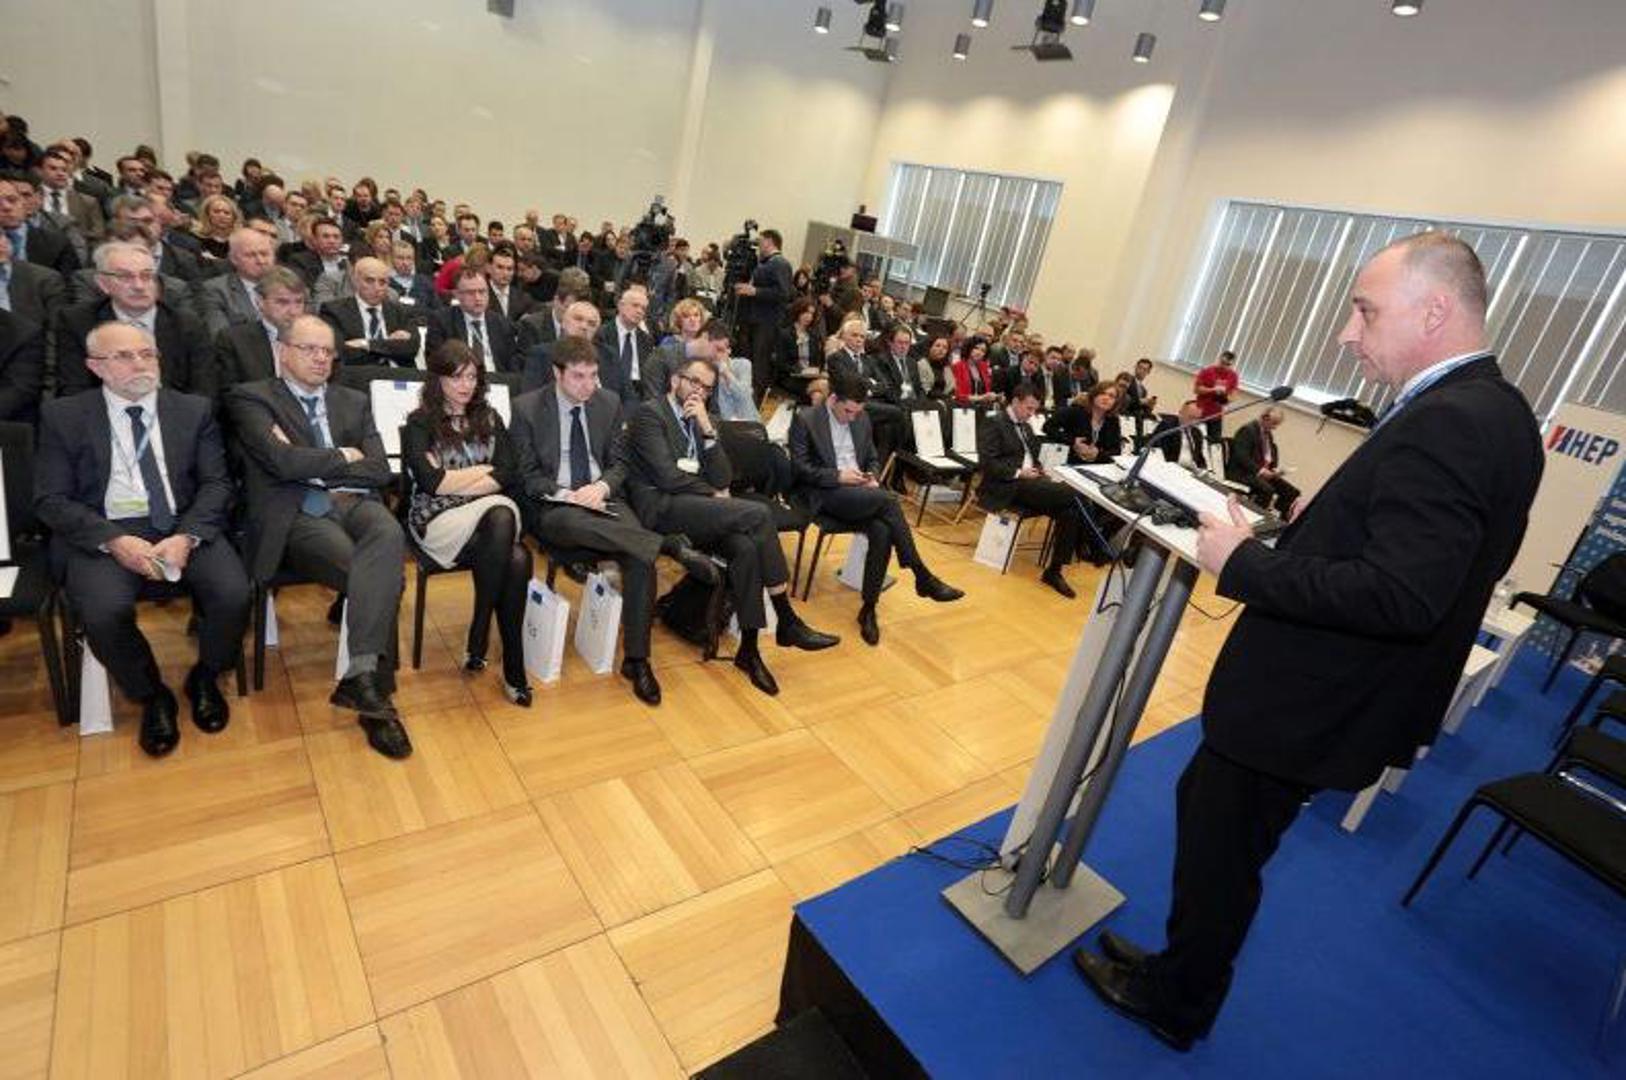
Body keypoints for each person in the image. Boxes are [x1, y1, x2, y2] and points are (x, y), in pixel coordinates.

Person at [1072, 232, 1545, 1051]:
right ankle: (1180, 969)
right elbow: (1429, 555)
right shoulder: (1499, 411)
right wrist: (1317, 529)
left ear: (1436, 310)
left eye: (1366, 311)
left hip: (1310, 700)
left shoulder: (1453, 421)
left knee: (1223, 848)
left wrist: (1244, 563)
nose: (1346, 334)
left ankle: (1177, 1001)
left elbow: (1402, 595)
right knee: (1215, 825)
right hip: (1341, 694)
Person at [35, 321, 249, 757]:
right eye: (124, 356)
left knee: (233, 593)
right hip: (104, 529)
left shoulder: (193, 410)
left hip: (182, 524)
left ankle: (207, 675)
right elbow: (50, 499)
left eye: (147, 354)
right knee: (103, 611)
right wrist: (114, 540)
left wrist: (187, 536)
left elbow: (217, 484)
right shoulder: (64, 416)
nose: (140, 364)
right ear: (95, 366)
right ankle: (151, 694)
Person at [227, 315, 412, 759]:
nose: (320, 358)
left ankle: (362, 680)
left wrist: (307, 459)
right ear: (282, 352)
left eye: (327, 351)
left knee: (388, 535)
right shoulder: (252, 398)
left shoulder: (353, 400)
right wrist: (342, 455)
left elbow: (379, 469)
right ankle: (377, 701)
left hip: (357, 503)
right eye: (309, 349)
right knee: (378, 575)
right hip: (298, 511)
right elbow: (281, 464)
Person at [509, 335, 718, 706]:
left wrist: (602, 486)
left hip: (604, 499)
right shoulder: (526, 408)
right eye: (578, 376)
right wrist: (568, 494)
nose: (588, 385)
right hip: (557, 506)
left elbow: (621, 463)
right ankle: (666, 544)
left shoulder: (608, 402)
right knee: (577, 526)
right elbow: (527, 476)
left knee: (639, 557)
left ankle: (637, 660)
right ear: (557, 373)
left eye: (593, 375)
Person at [623, 358, 840, 695]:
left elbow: (724, 476)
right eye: (693, 381)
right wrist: (711, 492)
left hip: (696, 508)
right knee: (759, 515)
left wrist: (707, 430)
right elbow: (666, 476)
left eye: (707, 388)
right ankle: (786, 618)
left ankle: (749, 651)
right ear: (675, 380)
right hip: (660, 507)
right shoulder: (650, 414)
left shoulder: (702, 419)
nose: (699, 391)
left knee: (745, 547)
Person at [402, 342, 533, 704]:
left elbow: (508, 472)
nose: (465, 385)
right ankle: (483, 636)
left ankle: (504, 655)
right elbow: (431, 483)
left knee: (513, 548)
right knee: (510, 540)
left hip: (488, 516)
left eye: (472, 377)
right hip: (435, 517)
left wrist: (454, 479)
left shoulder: (490, 417)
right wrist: (482, 471)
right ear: (438, 379)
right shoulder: (420, 422)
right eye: (456, 377)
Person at [789, 372, 963, 644]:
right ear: (833, 399)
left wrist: (872, 476)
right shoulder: (806, 419)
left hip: (859, 493)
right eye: (847, 411)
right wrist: (838, 476)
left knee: (882, 530)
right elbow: (800, 469)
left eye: (857, 412)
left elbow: (871, 457)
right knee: (889, 501)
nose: (852, 418)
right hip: (824, 493)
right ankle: (921, 575)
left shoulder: (861, 417)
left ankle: (868, 609)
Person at [977, 382, 1091, 598]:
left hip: (1031, 483)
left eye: (1034, 410)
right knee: (1076, 495)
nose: (1032, 414)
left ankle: (1054, 571)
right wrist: (1020, 473)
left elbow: (1034, 458)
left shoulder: (1026, 427)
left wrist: (1041, 470)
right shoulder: (994, 422)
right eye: (1028, 408)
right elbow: (987, 463)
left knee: (1070, 511)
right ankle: (1092, 545)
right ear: (1015, 401)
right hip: (1007, 485)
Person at [56, 242, 213, 397]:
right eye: (125, 277)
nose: (139, 286)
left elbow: (203, 392)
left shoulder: (188, 325)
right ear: (103, 284)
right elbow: (74, 390)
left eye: (146, 276)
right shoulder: (78, 322)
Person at [215, 265, 306, 390]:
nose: (293, 311)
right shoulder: (234, 341)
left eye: (299, 302)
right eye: (283, 302)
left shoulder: (317, 338)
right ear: (260, 301)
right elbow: (231, 392)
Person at [320, 257, 419, 366]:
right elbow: (340, 352)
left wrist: (366, 344)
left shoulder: (400, 311)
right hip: (357, 373)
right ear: (355, 281)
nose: (377, 288)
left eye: (382, 282)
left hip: (399, 372)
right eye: (369, 281)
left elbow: (412, 348)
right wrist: (390, 345)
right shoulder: (334, 311)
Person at [733, 227, 793, 400]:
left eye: (760, 241)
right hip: (756, 321)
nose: (758, 244)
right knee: (751, 363)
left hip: (767, 323)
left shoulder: (780, 263)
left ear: (769, 241)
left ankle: (755, 401)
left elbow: (784, 293)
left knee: (759, 365)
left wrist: (755, 291)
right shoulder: (765, 263)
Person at [427, 266, 517, 373]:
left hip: (498, 379)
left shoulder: (503, 324)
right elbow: (436, 362)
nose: (478, 298)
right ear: (457, 295)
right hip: (460, 379)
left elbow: (512, 364)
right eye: (470, 293)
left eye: (482, 292)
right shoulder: (441, 321)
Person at [198, 226, 275, 338]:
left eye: (264, 254)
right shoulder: (215, 291)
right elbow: (221, 337)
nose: (260, 261)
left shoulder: (291, 285)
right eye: (250, 255)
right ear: (234, 259)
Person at [1225, 406, 1299, 515]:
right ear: (1265, 418)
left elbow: (1268, 456)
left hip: (1261, 473)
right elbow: (1241, 457)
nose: (1275, 428)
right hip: (1243, 473)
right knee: (1267, 490)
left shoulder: (1268, 434)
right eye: (1274, 423)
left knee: (1291, 492)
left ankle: (1279, 518)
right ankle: (1255, 515)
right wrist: (1261, 471)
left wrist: (1275, 470)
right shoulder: (1247, 430)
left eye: (1277, 424)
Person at [594, 283, 655, 404]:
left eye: (643, 308)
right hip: (610, 390)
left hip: (638, 392)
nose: (639, 311)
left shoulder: (646, 340)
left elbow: (647, 376)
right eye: (635, 305)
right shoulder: (602, 334)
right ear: (620, 306)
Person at [776, 296, 825, 399]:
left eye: (811, 314)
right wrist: (801, 370)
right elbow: (781, 363)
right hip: (791, 377)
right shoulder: (785, 334)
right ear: (798, 312)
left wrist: (815, 370)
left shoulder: (814, 335)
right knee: (823, 388)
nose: (809, 317)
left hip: (811, 377)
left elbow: (818, 361)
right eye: (806, 312)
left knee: (818, 395)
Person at [1193, 348, 1239, 445]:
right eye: (1222, 363)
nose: (1224, 366)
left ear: (1232, 364)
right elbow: (1196, 389)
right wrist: (1212, 390)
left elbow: (1233, 395)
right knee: (1197, 441)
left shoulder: (1233, 376)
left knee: (1215, 443)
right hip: (1201, 412)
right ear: (1219, 359)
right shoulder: (1207, 371)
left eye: (1228, 365)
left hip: (1216, 415)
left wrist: (1227, 399)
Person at [191, 193, 242, 261]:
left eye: (227, 213)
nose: (222, 216)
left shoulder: (239, 242)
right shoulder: (195, 239)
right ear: (207, 214)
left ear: (234, 218)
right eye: (216, 212)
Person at [950, 337, 998, 405]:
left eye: (983, 351)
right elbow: (957, 395)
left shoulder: (984, 367)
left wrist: (994, 396)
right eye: (976, 348)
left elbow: (987, 390)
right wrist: (980, 398)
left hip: (982, 406)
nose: (979, 352)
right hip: (963, 406)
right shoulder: (958, 366)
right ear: (969, 348)